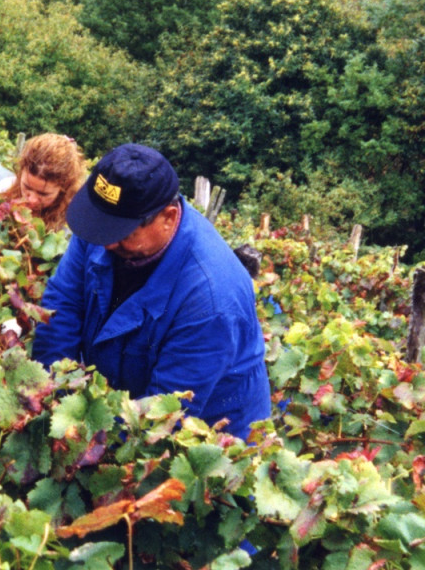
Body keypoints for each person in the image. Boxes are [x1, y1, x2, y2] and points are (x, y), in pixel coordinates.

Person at [32, 143, 271, 440]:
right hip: (128, 394)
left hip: (209, 434)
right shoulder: (107, 224)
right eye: (101, 227)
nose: (105, 243)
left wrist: (82, 442)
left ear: (168, 217)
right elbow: (61, 308)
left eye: (121, 234)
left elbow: (164, 414)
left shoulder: (211, 298)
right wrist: (56, 401)